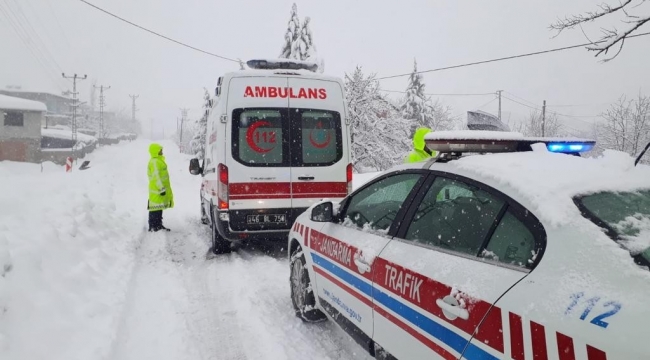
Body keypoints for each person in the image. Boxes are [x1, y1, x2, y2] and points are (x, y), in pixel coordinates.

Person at [147, 143, 174, 232]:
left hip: (157, 190)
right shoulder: (155, 161)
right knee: (155, 209)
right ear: (156, 151)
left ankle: (158, 225)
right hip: (157, 190)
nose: (162, 151)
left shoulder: (158, 160)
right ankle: (154, 226)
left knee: (158, 208)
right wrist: (161, 188)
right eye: (160, 150)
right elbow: (156, 177)